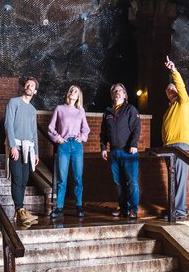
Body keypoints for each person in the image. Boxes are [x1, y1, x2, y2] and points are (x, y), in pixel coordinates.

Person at [48, 85, 90, 218]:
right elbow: (50, 127)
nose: (72, 92)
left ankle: (79, 205)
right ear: (68, 93)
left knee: (78, 177)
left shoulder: (81, 111)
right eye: (71, 90)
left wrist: (81, 138)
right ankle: (59, 207)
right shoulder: (59, 109)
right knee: (62, 178)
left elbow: (86, 129)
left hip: (77, 146)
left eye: (76, 91)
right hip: (64, 146)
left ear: (78, 96)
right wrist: (58, 138)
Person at [100, 83, 141, 219]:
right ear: (112, 95)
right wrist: (103, 148)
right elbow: (103, 133)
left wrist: (134, 144)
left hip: (128, 152)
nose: (117, 92)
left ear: (124, 95)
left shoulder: (130, 109)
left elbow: (136, 128)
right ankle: (123, 208)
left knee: (132, 181)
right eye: (114, 91)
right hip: (114, 153)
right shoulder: (107, 113)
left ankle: (133, 209)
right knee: (119, 183)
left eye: (120, 91)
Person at [4, 77, 40, 224]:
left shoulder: (32, 110)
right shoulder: (14, 102)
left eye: (32, 86)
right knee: (17, 178)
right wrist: (12, 145)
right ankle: (20, 209)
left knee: (24, 180)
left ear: (35, 91)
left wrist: (36, 152)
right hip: (16, 146)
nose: (29, 86)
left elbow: (34, 131)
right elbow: (8, 124)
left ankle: (20, 211)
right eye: (27, 84)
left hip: (29, 148)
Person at [161, 56, 189, 220]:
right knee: (172, 179)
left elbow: (180, 85)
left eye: (172, 88)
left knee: (180, 178)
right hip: (169, 146)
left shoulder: (184, 103)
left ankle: (180, 211)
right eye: (167, 89)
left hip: (180, 145)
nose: (170, 90)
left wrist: (173, 71)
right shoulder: (168, 111)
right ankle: (173, 209)